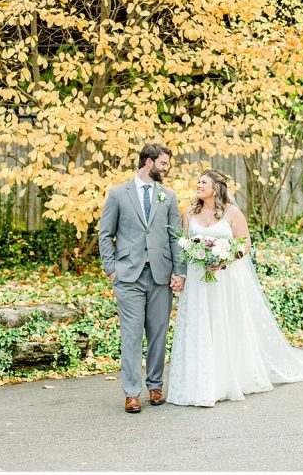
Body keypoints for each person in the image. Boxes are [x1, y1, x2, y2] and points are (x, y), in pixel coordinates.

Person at [167, 169, 303, 407]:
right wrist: (184, 270)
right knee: (200, 326)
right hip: (198, 280)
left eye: (203, 182)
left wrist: (224, 259)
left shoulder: (232, 213)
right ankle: (200, 382)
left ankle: (226, 380)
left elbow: (245, 244)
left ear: (216, 187)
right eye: (198, 181)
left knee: (225, 325)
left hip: (224, 281)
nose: (198, 185)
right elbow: (183, 246)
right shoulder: (189, 213)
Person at [98, 143, 186, 413]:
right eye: (162, 163)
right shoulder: (117, 194)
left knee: (158, 334)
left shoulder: (168, 197)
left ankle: (155, 386)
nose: (166, 168)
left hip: (161, 275)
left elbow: (175, 236)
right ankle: (132, 392)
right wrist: (111, 269)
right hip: (128, 276)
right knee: (132, 334)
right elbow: (105, 234)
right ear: (148, 162)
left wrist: (179, 271)